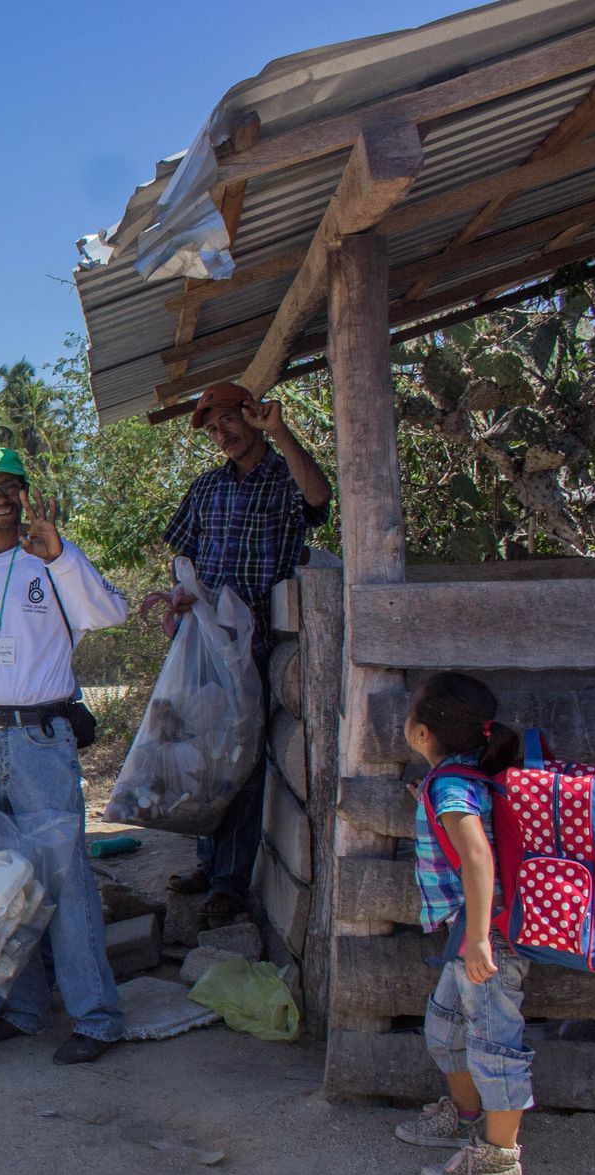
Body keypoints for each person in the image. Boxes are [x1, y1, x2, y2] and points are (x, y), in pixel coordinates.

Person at [0, 447, 129, 1064]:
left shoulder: (49, 556)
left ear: (24, 492)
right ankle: (24, 1006)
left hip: (40, 740)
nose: (0, 498)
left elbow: (110, 613)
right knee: (2, 884)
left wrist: (63, 558)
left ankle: (96, 1018)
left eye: (10, 486)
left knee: (64, 880)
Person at [163, 382, 332, 920]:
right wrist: (177, 595)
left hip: (256, 646)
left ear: (250, 415)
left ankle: (231, 885)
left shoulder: (284, 478)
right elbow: (181, 557)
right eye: (212, 429)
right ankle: (209, 864)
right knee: (204, 758)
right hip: (207, 647)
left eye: (229, 422)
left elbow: (320, 498)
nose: (222, 435)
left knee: (243, 763)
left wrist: (279, 431)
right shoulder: (207, 488)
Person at [393, 672, 528, 1175]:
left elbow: (477, 855)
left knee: (495, 1044)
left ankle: (500, 1157)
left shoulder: (452, 785)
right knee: (446, 1029)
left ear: (422, 733)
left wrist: (476, 938)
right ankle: (467, 1117)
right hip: (467, 936)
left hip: (485, 939)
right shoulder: (458, 777)